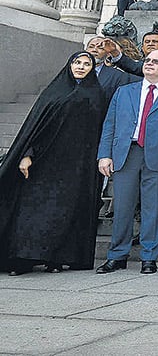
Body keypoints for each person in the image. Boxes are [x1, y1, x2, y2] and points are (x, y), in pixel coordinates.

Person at [0, 52, 107, 274]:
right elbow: (35, 128)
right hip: (43, 164)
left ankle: (56, 258)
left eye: (87, 64)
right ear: (69, 65)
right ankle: (23, 258)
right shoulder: (54, 92)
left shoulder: (97, 94)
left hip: (77, 167)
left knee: (64, 214)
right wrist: (26, 155)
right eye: (77, 62)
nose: (81, 67)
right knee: (31, 211)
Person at [96, 49, 158, 274]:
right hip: (126, 154)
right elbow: (109, 125)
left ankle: (149, 257)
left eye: (156, 61)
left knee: (155, 208)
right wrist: (104, 154)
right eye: (147, 60)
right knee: (122, 207)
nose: (149, 64)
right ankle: (117, 256)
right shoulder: (124, 92)